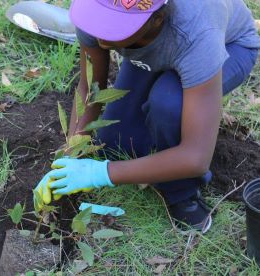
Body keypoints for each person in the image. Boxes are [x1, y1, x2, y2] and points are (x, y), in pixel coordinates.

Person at [35, 0, 260, 232]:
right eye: (101, 18)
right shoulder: (96, 15)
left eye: (115, 24)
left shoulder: (196, 31)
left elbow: (195, 157)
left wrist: (101, 173)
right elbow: (90, 88)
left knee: (168, 103)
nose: (101, 33)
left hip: (229, 47)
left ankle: (182, 193)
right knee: (116, 143)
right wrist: (73, 153)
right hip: (148, 46)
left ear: (157, 18)